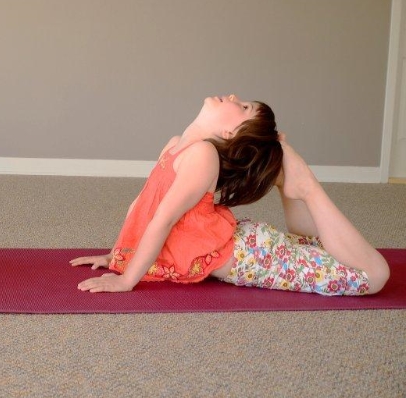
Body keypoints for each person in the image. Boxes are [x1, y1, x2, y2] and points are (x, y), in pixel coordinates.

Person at [71, 94, 390, 296]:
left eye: (244, 106)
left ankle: (303, 184)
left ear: (230, 134)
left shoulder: (202, 155)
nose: (234, 96)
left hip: (255, 256)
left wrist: (126, 281)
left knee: (375, 275)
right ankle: (290, 186)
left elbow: (163, 219)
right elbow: (141, 206)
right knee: (316, 244)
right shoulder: (175, 146)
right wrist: (117, 256)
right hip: (245, 243)